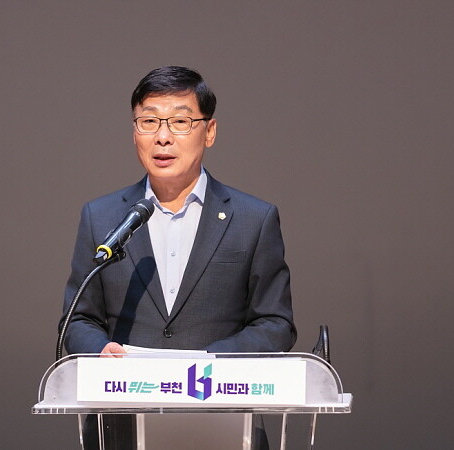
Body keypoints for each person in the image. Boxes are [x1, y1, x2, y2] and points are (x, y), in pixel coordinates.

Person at [62, 66, 296, 450]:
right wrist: (99, 351)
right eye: (149, 121)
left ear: (210, 131)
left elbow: (276, 323)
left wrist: (208, 363)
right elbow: (78, 319)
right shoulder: (101, 217)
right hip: (121, 424)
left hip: (224, 421)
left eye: (180, 122)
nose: (163, 137)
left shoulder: (253, 218)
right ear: (134, 131)